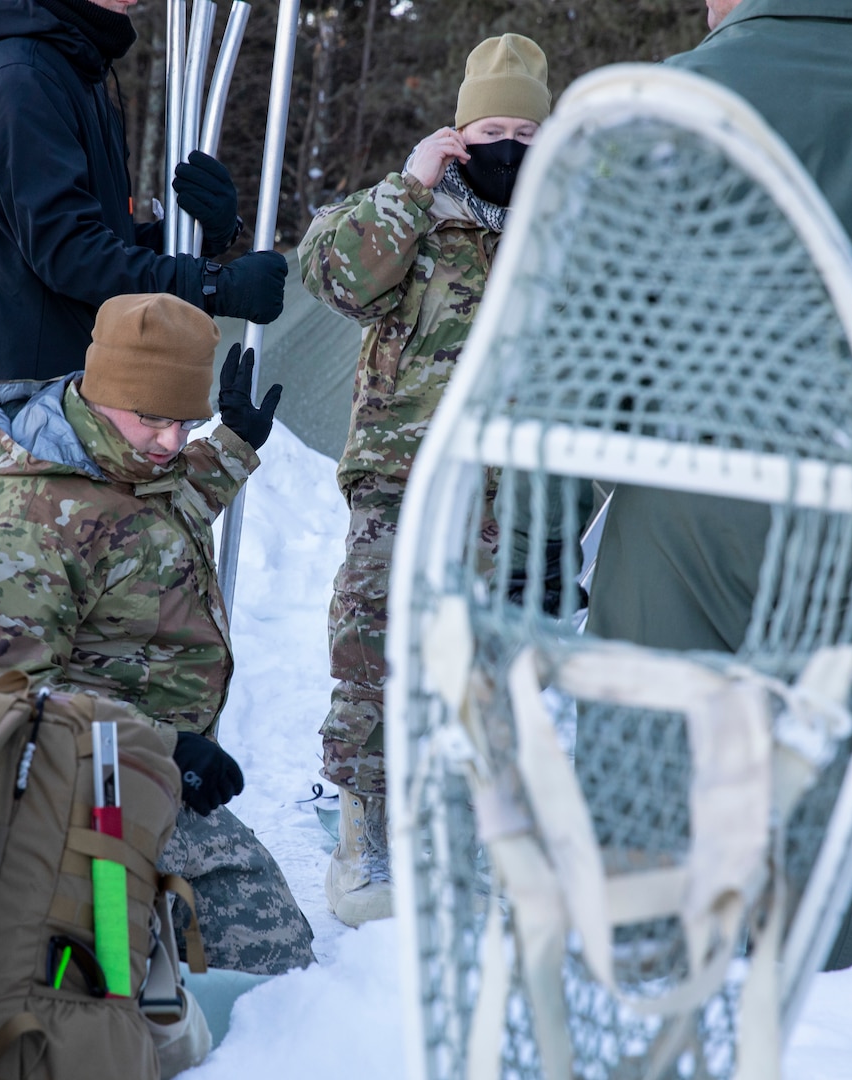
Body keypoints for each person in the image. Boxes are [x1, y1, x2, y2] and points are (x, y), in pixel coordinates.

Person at [585, 0, 852, 966]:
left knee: (651, 767)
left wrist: (546, 527)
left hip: (684, 485)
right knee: (830, 775)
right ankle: (837, 1002)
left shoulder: (666, 99)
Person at [0, 292, 314, 975]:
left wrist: (231, 445)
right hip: (71, 788)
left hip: (139, 769)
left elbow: (144, 526)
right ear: (104, 389)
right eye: (154, 419)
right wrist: (169, 748)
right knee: (269, 958)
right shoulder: (22, 518)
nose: (174, 442)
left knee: (242, 964)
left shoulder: (120, 460)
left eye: (186, 422)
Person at [298, 34, 552, 926]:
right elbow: (333, 274)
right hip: (399, 478)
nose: (508, 144)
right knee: (372, 656)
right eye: (490, 126)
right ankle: (363, 843)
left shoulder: (563, 227)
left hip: (505, 493)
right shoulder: (410, 214)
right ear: (456, 134)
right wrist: (409, 186)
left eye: (526, 127)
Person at [0, 0, 288, 477]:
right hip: (38, 411)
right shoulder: (21, 76)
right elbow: (69, 253)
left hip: (94, 396)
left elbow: (99, 240)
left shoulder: (74, 70)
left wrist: (202, 238)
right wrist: (215, 286)